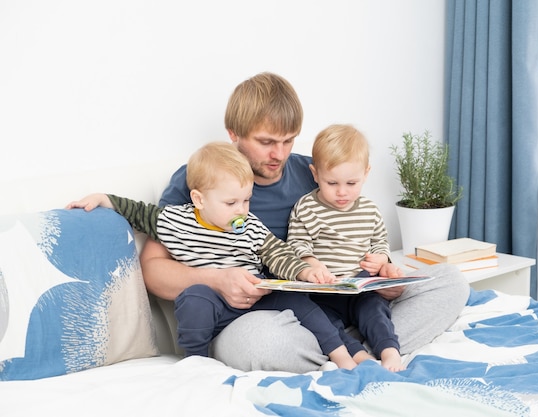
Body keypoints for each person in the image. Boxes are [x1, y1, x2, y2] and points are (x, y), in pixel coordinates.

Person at [140, 71, 471, 373]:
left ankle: (356, 348)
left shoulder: (315, 173)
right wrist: (216, 280)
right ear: (234, 135)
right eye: (267, 142)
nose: (279, 155)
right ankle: (356, 349)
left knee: (450, 281)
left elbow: (359, 233)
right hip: (261, 316)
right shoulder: (199, 179)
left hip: (336, 299)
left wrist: (384, 276)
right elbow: (153, 270)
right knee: (261, 342)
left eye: (289, 140)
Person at [66, 141, 362, 369]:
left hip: (256, 293)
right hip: (216, 303)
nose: (242, 210)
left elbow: (276, 251)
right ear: (199, 199)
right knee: (194, 298)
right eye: (231, 202)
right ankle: (196, 361)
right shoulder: (175, 221)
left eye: (246, 200)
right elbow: (138, 213)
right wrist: (104, 199)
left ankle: (341, 355)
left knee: (300, 300)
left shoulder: (249, 225)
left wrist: (304, 271)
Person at [286, 124, 404, 371]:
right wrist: (312, 264)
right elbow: (297, 244)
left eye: (351, 183)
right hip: (325, 292)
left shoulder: (369, 210)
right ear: (315, 174)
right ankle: (358, 356)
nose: (342, 192)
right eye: (332, 183)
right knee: (324, 323)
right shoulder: (307, 208)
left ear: (366, 173)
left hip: (361, 288)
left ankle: (389, 351)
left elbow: (381, 241)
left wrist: (381, 259)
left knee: (376, 312)